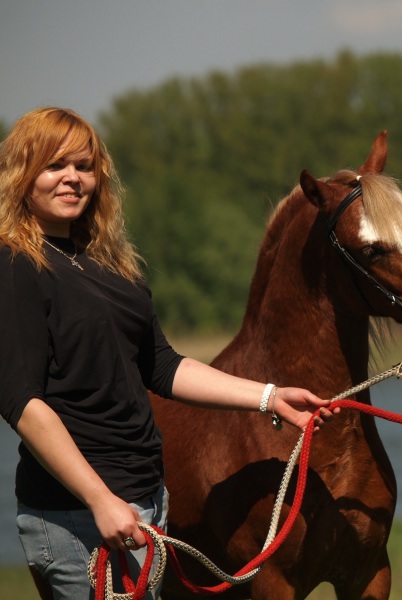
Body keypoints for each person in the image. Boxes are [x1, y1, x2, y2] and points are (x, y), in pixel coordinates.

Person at [0, 107, 337, 600]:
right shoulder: (15, 265)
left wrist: (270, 397)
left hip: (146, 503)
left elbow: (162, 365)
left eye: (85, 166)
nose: (73, 178)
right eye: (54, 166)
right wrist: (100, 500)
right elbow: (21, 403)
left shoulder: (112, 266)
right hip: (79, 518)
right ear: (22, 175)